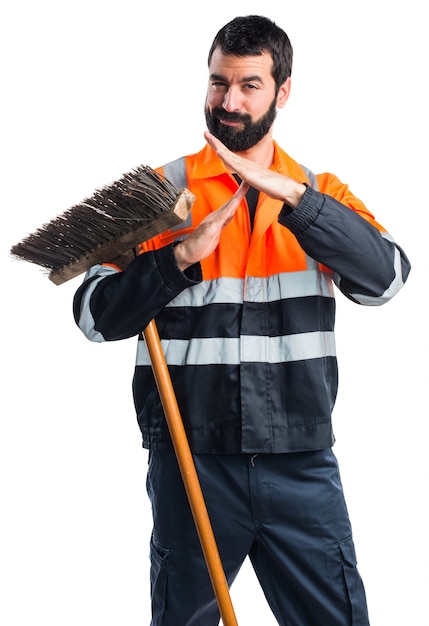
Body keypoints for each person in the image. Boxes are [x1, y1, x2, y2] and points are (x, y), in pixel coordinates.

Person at [73, 15, 411, 626]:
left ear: (283, 92)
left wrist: (297, 203)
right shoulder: (159, 192)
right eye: (218, 83)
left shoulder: (318, 191)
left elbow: (385, 279)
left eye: (249, 85)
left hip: (300, 466)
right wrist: (176, 259)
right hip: (190, 462)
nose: (228, 101)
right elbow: (95, 318)